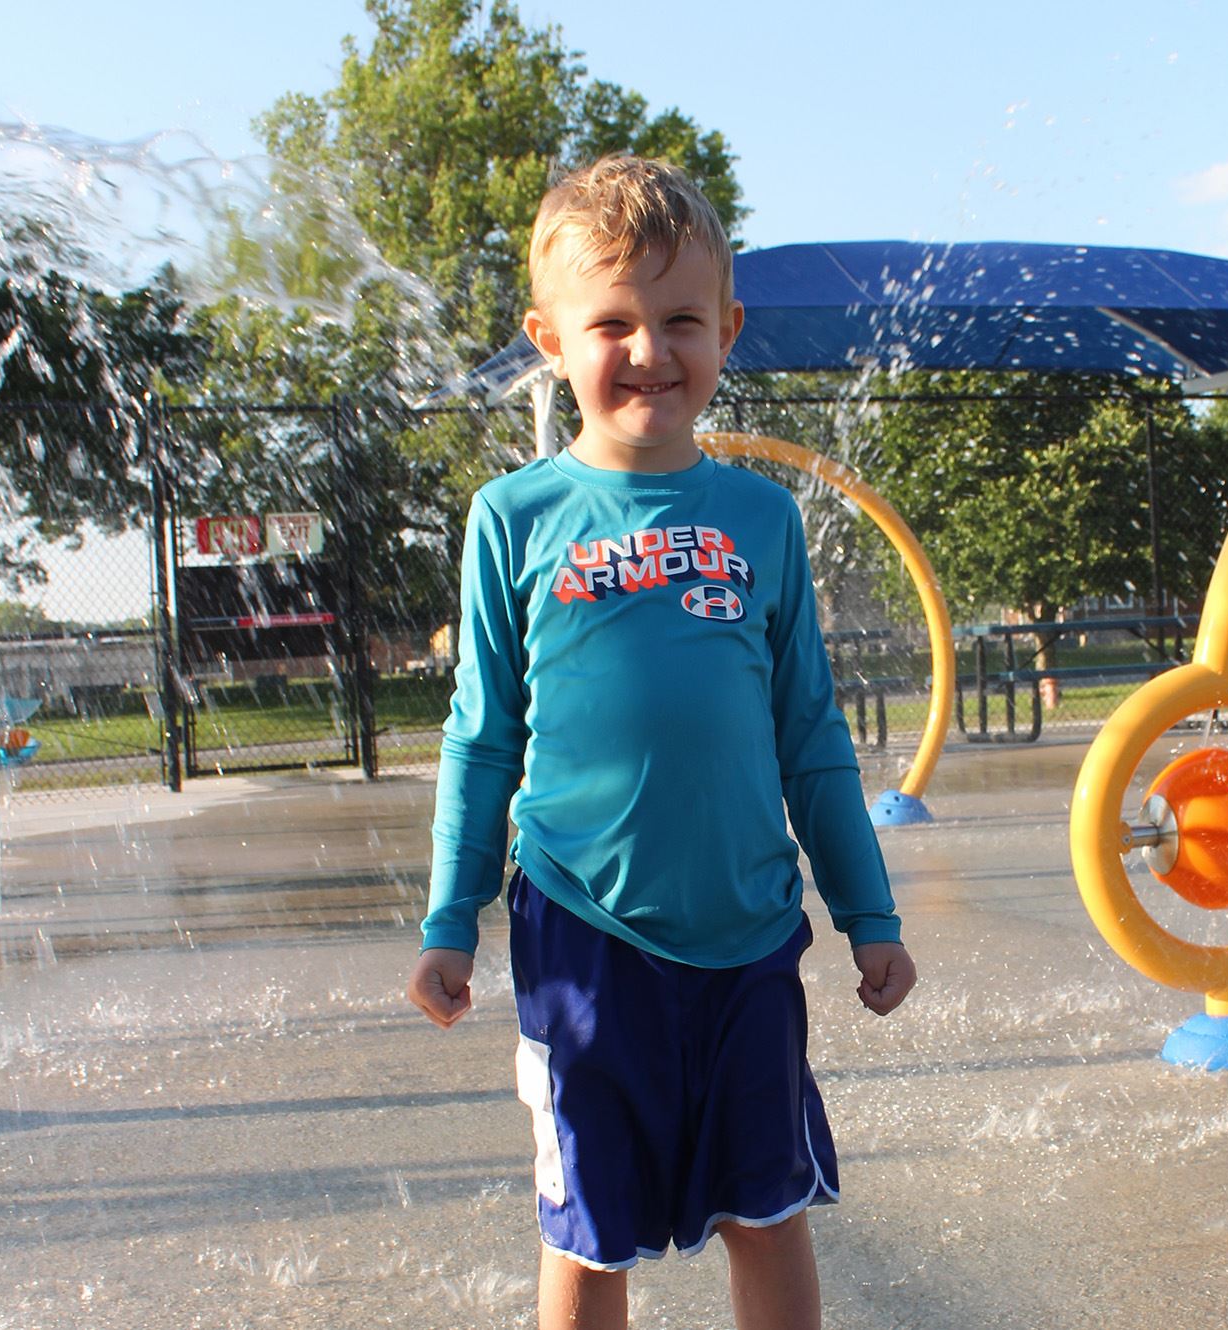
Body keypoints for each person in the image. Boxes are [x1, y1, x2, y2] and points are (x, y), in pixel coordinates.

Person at [406, 154, 916, 1330]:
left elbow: (808, 735)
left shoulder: (758, 517)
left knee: (767, 1205)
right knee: (588, 1227)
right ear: (548, 338)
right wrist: (449, 922)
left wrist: (868, 914)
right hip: (582, 929)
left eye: (680, 318)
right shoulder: (515, 517)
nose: (648, 349)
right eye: (612, 323)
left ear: (727, 329)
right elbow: (483, 737)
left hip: (744, 934)